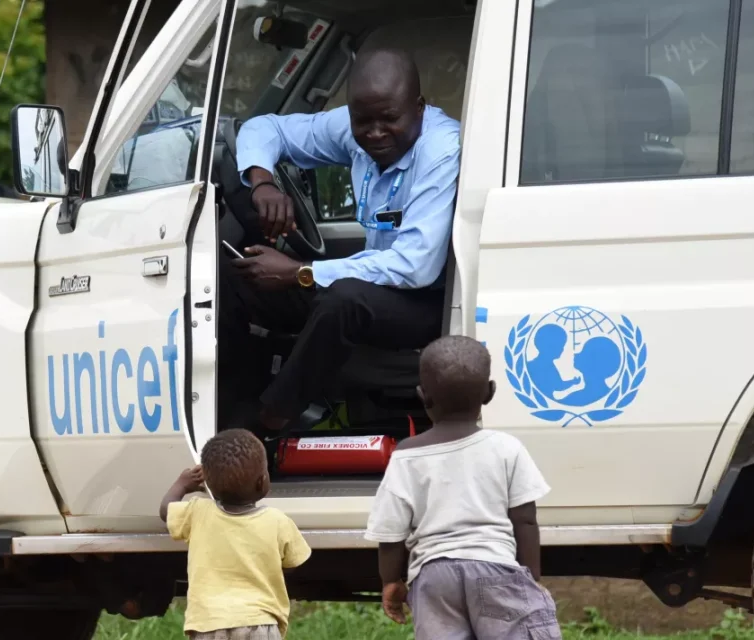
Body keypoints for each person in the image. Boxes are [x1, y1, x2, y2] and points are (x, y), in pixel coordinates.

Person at [222, 47, 462, 431]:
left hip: (431, 299)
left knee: (344, 300)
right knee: (237, 278)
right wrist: (262, 183)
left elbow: (413, 266)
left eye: (389, 119)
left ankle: (272, 417)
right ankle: (231, 405)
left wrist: (299, 272)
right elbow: (265, 127)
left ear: (419, 107)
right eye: (362, 120)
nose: (375, 132)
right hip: (378, 285)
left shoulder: (441, 149)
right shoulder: (360, 125)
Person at [365, 335, 562, 639]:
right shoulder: (506, 447)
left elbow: (391, 535)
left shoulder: (405, 456)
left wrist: (391, 582)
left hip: (433, 578)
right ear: (490, 392)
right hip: (496, 568)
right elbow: (525, 520)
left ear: (422, 396)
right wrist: (530, 578)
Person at [160, 429, 312, 639]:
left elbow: (166, 511)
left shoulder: (197, 512)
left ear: (209, 485)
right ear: (262, 482)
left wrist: (183, 484)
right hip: (259, 622)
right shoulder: (278, 521)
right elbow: (295, 563)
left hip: (209, 624)